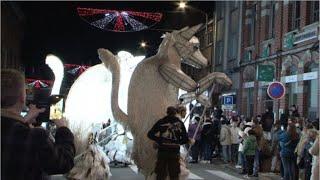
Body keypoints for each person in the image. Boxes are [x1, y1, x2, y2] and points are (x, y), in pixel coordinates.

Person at [1, 69, 76, 180]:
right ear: (22, 97)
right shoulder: (35, 136)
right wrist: (63, 128)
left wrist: (24, 120)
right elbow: (64, 163)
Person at [147, 106, 188, 180]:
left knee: (160, 174)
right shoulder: (180, 123)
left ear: (167, 112)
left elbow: (150, 134)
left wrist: (159, 140)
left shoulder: (161, 121)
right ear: (175, 113)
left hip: (162, 151)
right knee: (174, 174)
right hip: (174, 152)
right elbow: (185, 139)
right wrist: (177, 142)